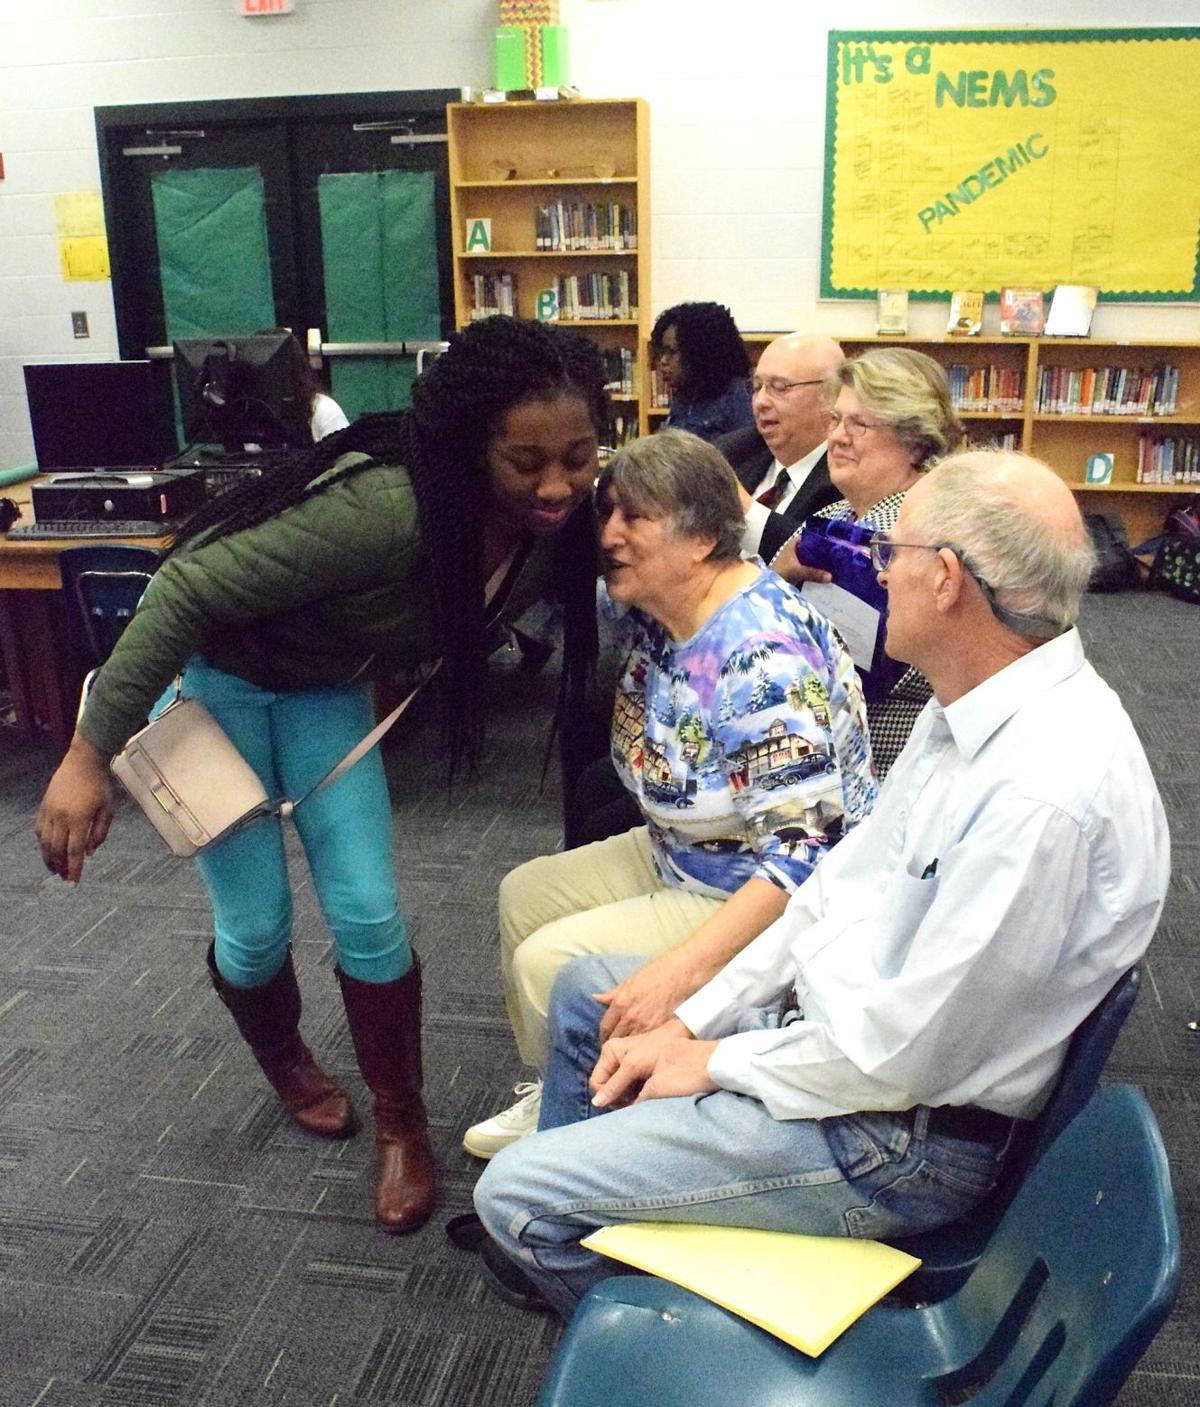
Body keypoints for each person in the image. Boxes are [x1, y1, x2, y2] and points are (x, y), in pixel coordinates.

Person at [470, 448, 1171, 1316]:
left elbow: (901, 1054)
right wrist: (695, 1011)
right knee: (590, 991)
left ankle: (679, 1326)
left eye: (891, 556)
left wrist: (715, 1057)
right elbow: (837, 882)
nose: (876, 574)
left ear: (946, 579)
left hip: (896, 1140)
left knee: (513, 1196)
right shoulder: (969, 707)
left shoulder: (1042, 795)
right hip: (849, 1045)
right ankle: (626, 1206)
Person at [33, 315, 607, 1235]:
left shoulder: (552, 527)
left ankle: (403, 1125)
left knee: (370, 910)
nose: (557, 484)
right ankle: (287, 1059)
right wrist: (84, 754)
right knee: (255, 930)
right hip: (217, 694)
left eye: (579, 456)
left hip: (324, 700)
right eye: (526, 460)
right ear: (471, 446)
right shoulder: (384, 506)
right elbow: (184, 587)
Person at [461, 429, 876, 1160]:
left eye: (636, 518)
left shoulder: (759, 658)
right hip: (681, 850)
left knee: (547, 963)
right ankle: (569, 1076)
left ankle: (597, 1117)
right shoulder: (666, 604)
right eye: (610, 513)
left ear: (703, 539)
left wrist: (678, 974)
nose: (611, 535)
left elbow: (804, 858)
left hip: (755, 892)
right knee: (522, 895)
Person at [779, 347, 965, 775]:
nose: (837, 437)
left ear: (915, 441)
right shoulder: (832, 517)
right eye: (835, 420)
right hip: (819, 732)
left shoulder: (921, 535)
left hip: (885, 751)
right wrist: (775, 578)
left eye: (859, 424)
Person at [716, 332, 846, 562]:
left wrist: (743, 509)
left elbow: (821, 556)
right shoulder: (731, 452)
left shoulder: (846, 473)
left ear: (831, 395)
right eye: (757, 387)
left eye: (780, 387)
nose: (761, 401)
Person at [652, 303, 754, 443]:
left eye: (672, 352)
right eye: (662, 352)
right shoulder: (683, 396)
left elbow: (750, 458)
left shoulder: (739, 396)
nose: (663, 360)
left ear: (698, 354)